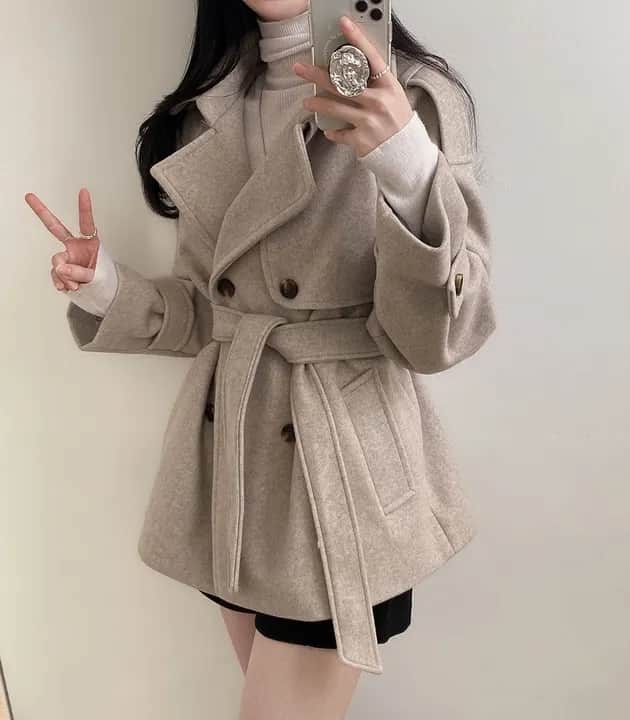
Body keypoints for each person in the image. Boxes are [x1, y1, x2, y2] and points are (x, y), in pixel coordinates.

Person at [25, 0, 496, 716]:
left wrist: (407, 165)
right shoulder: (210, 108)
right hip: (233, 471)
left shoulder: (415, 95)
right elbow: (212, 310)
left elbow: (442, 336)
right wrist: (107, 288)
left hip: (338, 475)